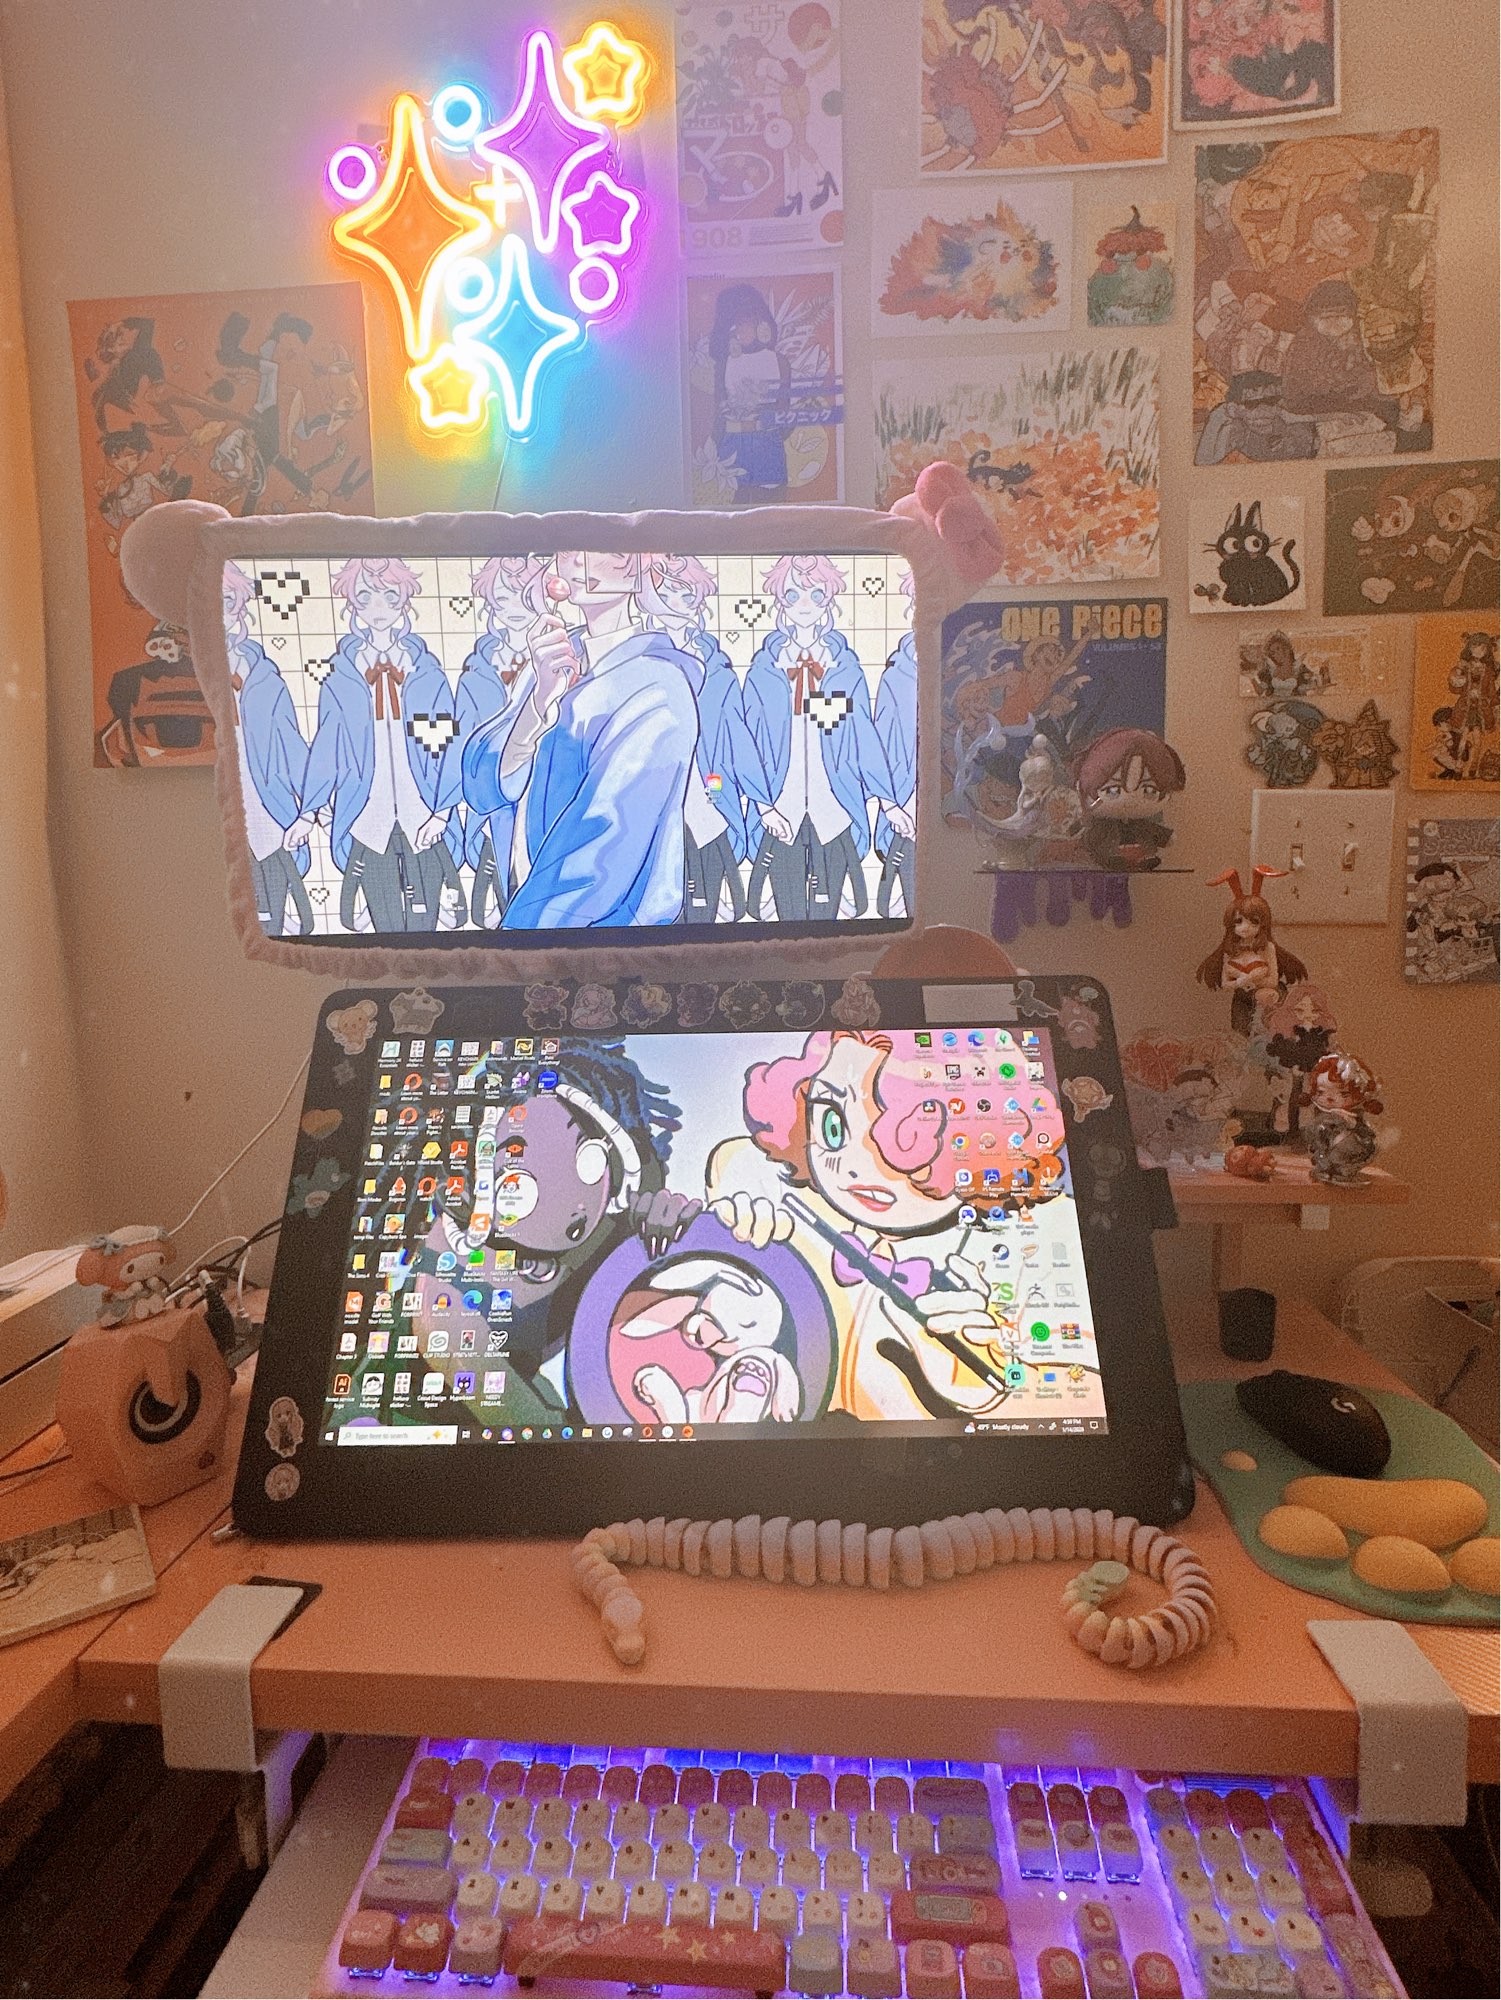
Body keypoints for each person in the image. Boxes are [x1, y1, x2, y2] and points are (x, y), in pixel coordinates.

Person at [712, 1029, 1014, 1419]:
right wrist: (733, 1218)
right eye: (832, 1126)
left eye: (906, 1142)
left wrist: (991, 1391)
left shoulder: (1005, 1252)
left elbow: (1077, 1387)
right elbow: (733, 1159)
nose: (856, 1167)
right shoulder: (796, 1214)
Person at [463, 552, 703, 931]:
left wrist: (520, 937)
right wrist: (538, 703)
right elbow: (482, 788)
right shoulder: (550, 661)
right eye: (568, 549)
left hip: (609, 936)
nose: (578, 561)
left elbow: (603, 844)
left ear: (640, 567)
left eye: (607, 550)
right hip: (530, 918)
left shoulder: (659, 685)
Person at [299, 556, 461, 932]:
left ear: (404, 600)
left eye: (389, 596)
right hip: (366, 816)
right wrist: (311, 809)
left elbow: (445, 749)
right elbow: (327, 747)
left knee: (427, 926)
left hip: (422, 813)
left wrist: (442, 811)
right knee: (384, 928)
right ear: (352, 604)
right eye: (365, 597)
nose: (378, 607)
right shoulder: (341, 679)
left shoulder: (426, 674)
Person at [742, 555, 905, 922]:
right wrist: (763, 805)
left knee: (826, 923)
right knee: (785, 922)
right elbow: (747, 745)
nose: (804, 604)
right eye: (793, 594)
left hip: (834, 808)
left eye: (816, 594)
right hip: (780, 811)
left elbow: (863, 738)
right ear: (779, 600)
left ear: (829, 600)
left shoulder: (845, 669)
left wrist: (887, 801)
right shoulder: (762, 672)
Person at [638, 552, 770, 923]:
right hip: (646, 797)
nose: (675, 603)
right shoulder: (632, 660)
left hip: (707, 790)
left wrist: (759, 799)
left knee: (706, 909)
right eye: (666, 592)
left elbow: (736, 736)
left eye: (686, 595)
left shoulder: (718, 669)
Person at [221, 562, 314, 936]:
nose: (219, 613)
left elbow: (293, 747)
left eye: (227, 601)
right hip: (212, 819)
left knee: (274, 927)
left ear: (240, 607)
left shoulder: (265, 679)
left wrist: (309, 811)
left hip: (271, 816)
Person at [457, 556, 550, 926]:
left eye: (524, 595)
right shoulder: (475, 672)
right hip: (491, 804)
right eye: (503, 597)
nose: (514, 607)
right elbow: (459, 745)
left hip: (546, 796)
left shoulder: (572, 660)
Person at [873, 569, 919, 918]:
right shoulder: (894, 677)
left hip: (948, 803)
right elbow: (880, 745)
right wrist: (890, 804)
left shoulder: (962, 666)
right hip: (903, 802)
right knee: (898, 909)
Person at [1194, 370, 1316, 464]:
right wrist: (1218, 415)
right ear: (1234, 408)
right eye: (1251, 404)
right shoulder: (1237, 431)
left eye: (1270, 401)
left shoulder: (1295, 427)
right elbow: (1203, 462)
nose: (1262, 410)